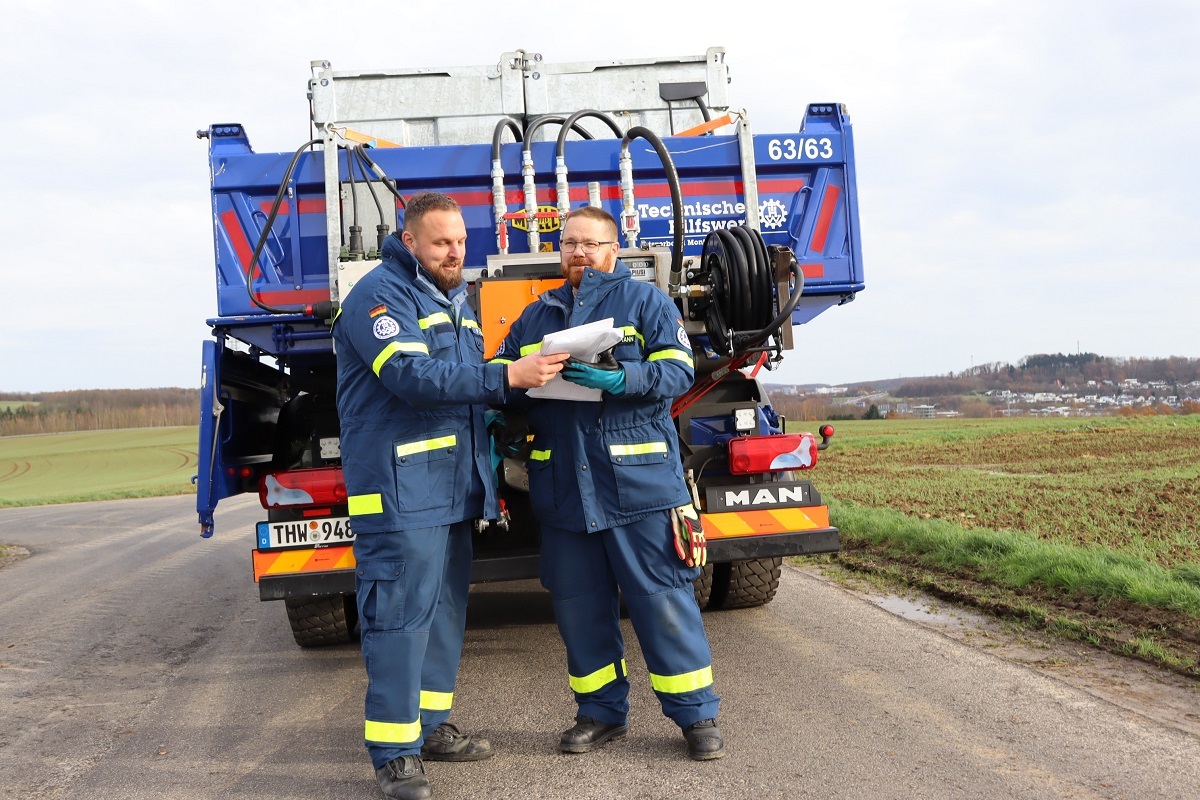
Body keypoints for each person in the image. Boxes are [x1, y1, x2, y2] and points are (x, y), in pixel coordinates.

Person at [333, 192, 569, 800]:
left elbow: (470, 394)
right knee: (397, 620)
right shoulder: (379, 297)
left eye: (461, 242)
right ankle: (394, 755)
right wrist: (504, 375)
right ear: (408, 241)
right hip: (400, 494)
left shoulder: (457, 302)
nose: (455, 252)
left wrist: (533, 378)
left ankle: (430, 727)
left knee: (442, 617)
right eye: (442, 243)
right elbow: (412, 378)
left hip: (451, 491)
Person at [489, 206, 725, 761]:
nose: (579, 254)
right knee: (579, 608)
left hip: (639, 488)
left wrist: (622, 378)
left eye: (590, 244)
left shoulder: (647, 303)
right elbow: (502, 379)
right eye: (570, 244)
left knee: (663, 603)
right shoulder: (534, 316)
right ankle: (600, 714)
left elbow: (676, 372)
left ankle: (697, 718)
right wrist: (507, 403)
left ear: (613, 250)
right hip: (564, 491)